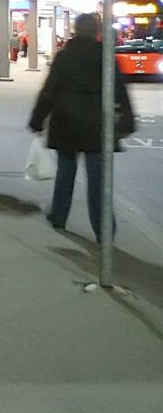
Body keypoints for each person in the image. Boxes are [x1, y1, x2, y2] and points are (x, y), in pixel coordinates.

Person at [29, 13, 134, 243]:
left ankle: (58, 216)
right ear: (96, 30)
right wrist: (128, 120)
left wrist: (37, 119)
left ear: (76, 29)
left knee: (66, 173)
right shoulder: (105, 56)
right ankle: (104, 231)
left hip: (66, 121)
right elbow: (119, 89)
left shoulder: (64, 56)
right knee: (98, 181)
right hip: (98, 122)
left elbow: (50, 89)